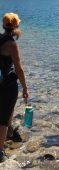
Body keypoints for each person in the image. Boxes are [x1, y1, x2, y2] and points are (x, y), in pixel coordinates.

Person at [0, 13, 29, 162]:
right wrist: (25, 88)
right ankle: (0, 152)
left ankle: (10, 133)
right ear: (16, 26)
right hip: (7, 85)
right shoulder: (12, 44)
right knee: (4, 117)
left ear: (3, 25)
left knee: (6, 111)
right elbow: (19, 69)